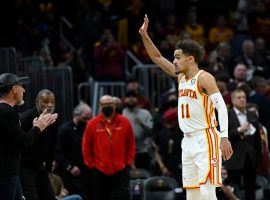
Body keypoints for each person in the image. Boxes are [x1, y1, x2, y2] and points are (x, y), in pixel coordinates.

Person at [139, 15, 233, 199]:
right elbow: (157, 57)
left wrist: (224, 137)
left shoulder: (204, 78)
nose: (173, 61)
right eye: (174, 57)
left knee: (207, 192)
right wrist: (144, 35)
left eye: (177, 57)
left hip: (206, 138)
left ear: (190, 59)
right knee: (192, 194)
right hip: (187, 141)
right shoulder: (181, 78)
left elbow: (221, 107)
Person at [0, 73, 58, 200]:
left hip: (12, 171)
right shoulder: (7, 111)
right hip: (7, 172)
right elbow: (24, 141)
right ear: (14, 89)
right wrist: (38, 127)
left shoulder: (8, 111)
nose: (24, 90)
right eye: (21, 86)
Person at [82, 95, 135, 200]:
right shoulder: (92, 124)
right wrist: (92, 166)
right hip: (99, 170)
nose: (107, 106)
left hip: (121, 170)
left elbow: (131, 144)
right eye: (104, 104)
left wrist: (128, 163)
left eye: (110, 104)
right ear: (100, 106)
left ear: (115, 106)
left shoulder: (125, 122)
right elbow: (86, 146)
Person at [19, 89, 58, 200]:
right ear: (37, 102)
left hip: (40, 166)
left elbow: (52, 147)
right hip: (24, 166)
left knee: (50, 196)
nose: (49, 105)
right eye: (45, 102)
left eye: (52, 102)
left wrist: (49, 168)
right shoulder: (25, 118)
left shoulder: (53, 121)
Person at [224, 89, 261, 200]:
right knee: (233, 190)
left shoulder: (252, 115)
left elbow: (257, 139)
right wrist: (239, 130)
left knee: (251, 190)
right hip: (233, 159)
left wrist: (257, 157)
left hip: (250, 159)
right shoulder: (227, 115)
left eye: (244, 97)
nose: (242, 100)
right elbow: (222, 135)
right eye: (239, 97)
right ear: (232, 99)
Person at [55, 102, 92, 198]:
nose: (87, 121)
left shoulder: (87, 129)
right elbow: (58, 152)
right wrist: (69, 167)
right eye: (85, 118)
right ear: (76, 115)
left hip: (85, 171)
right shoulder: (64, 130)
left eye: (89, 118)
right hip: (69, 173)